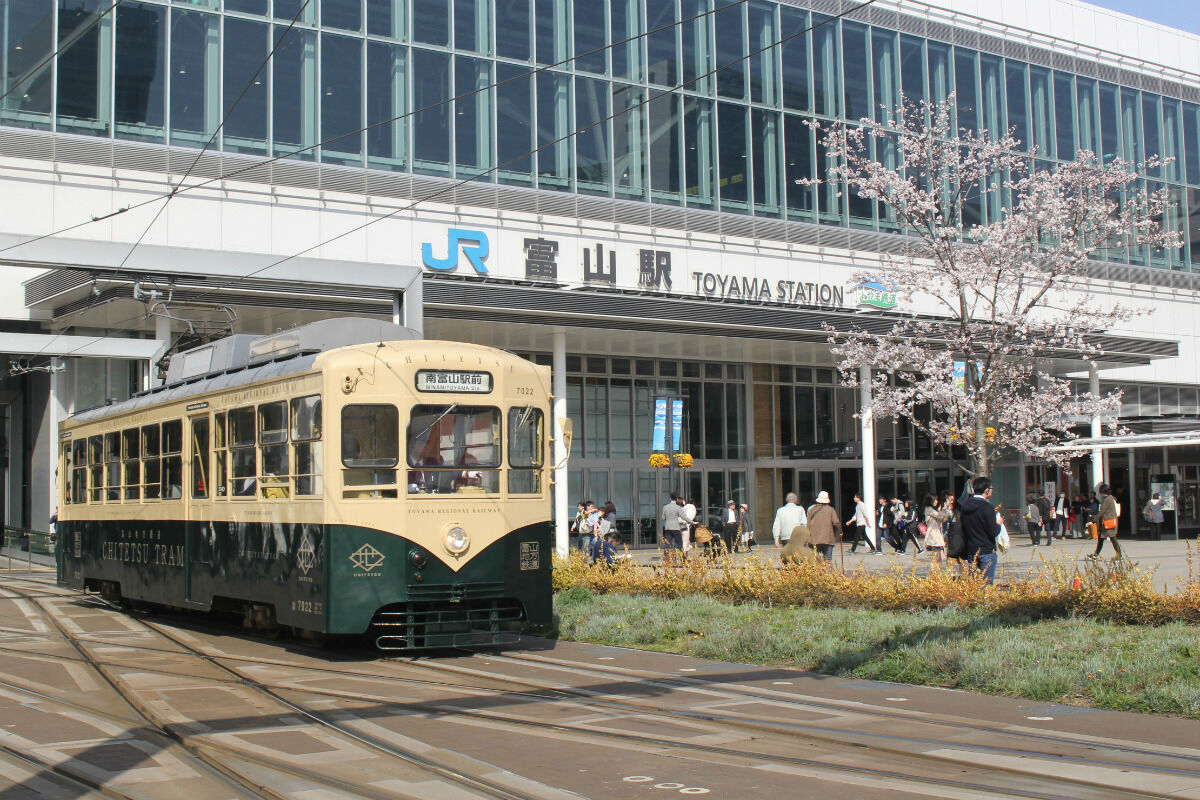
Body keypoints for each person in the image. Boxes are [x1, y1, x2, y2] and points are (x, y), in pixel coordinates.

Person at [959, 476, 1001, 585]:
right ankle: (985, 602)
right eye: (991, 489)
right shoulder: (987, 507)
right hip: (986, 550)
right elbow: (993, 531)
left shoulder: (965, 506)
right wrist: (999, 524)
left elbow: (963, 529)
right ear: (987, 490)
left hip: (971, 550)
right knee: (986, 585)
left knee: (975, 585)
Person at [1089, 483, 1124, 560]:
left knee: (1112, 539)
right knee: (1102, 539)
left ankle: (1119, 555)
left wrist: (1094, 521)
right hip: (1108, 522)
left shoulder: (1107, 500)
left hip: (1109, 523)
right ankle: (1095, 555)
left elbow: (1102, 512)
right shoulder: (1110, 498)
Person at [806, 491, 841, 563]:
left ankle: (817, 573)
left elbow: (808, 525)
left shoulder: (811, 510)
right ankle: (828, 573)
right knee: (828, 559)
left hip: (814, 539)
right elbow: (836, 522)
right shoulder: (830, 510)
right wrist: (840, 531)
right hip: (828, 538)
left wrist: (807, 538)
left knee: (815, 560)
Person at [922, 492, 950, 569]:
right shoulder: (929, 509)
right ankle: (934, 575)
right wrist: (945, 508)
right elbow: (940, 516)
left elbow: (943, 519)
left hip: (937, 536)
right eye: (935, 500)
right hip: (933, 537)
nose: (936, 501)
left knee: (939, 558)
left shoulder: (932, 509)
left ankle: (937, 575)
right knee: (936, 558)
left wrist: (944, 510)